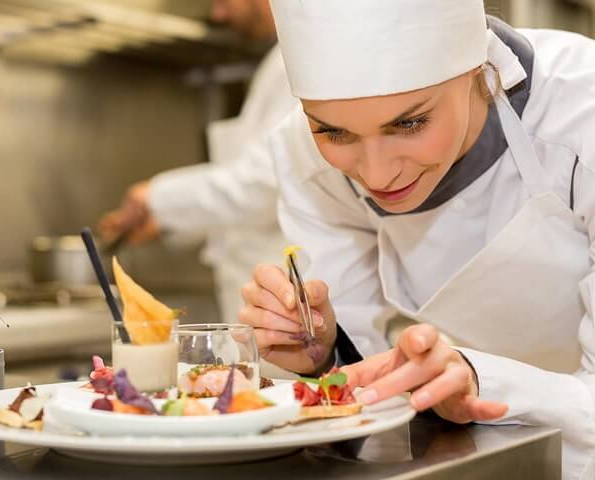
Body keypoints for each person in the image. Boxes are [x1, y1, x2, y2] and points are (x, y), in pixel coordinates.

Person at [239, 1, 595, 478]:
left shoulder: (581, 113)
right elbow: (361, 407)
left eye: (409, 123)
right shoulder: (303, 158)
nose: (378, 173)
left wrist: (479, 378)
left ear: (475, 68)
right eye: (333, 132)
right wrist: (324, 352)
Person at [98, 0, 296, 325]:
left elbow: (267, 181)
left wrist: (157, 199)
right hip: (264, 306)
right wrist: (163, 216)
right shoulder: (279, 60)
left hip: (285, 309)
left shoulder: (298, 58)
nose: (217, 15)